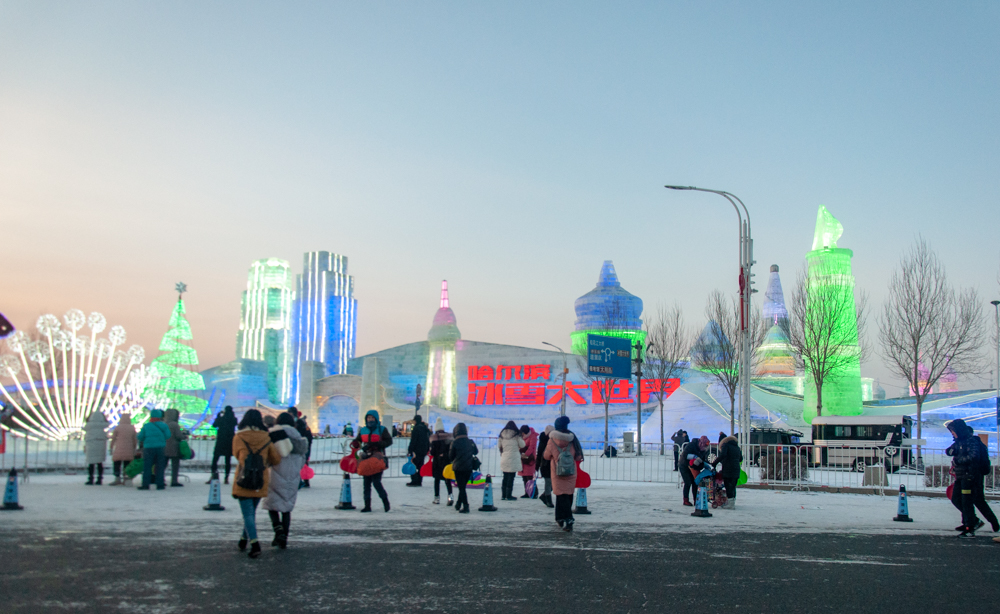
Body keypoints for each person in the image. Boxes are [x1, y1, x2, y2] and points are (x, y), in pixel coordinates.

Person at [232, 409, 282, 559]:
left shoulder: (239, 436)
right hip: (260, 479)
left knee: (248, 514)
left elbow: (236, 455)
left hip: (244, 478)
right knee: (250, 513)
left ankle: (255, 544)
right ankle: (243, 539)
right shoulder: (266, 437)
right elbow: (275, 459)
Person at [946, 419, 997, 538]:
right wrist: (952, 451)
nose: (952, 433)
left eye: (953, 431)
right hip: (961, 476)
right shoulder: (959, 442)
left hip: (970, 476)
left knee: (969, 501)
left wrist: (958, 460)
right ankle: (972, 521)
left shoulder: (972, 442)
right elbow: (949, 451)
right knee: (957, 499)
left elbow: (973, 457)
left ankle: (970, 526)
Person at [263, 412, 307, 549]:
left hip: (275, 474)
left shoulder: (274, 434)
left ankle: (278, 531)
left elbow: (268, 455)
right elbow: (303, 459)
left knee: (272, 505)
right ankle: (284, 538)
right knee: (286, 508)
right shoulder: (299, 438)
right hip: (293, 477)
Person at [543, 415, 583, 532]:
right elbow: (578, 456)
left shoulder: (552, 440)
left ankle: (567, 518)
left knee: (561, 496)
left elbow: (546, 456)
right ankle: (560, 517)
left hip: (557, 472)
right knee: (568, 494)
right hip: (571, 471)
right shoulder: (572, 438)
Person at [352, 410, 393, 512]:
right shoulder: (363, 430)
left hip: (377, 459)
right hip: (366, 458)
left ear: (376, 419)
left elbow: (389, 441)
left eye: (372, 418)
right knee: (366, 484)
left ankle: (385, 502)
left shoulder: (382, 429)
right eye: (368, 418)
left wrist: (377, 444)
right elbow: (358, 441)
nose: (370, 420)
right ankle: (367, 505)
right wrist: (356, 444)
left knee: (376, 482)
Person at [136, 409, 170, 490]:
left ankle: (145, 484)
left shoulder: (146, 426)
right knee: (160, 466)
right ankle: (160, 484)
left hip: (148, 448)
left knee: (147, 466)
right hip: (160, 447)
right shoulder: (164, 426)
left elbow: (140, 437)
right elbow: (168, 435)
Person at [448, 422, 478, 513]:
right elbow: (476, 452)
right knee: (462, 487)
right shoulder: (470, 442)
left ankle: (465, 506)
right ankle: (458, 503)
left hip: (458, 468)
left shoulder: (454, 442)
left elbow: (451, 456)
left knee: (461, 488)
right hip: (468, 467)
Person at [497, 420, 526, 501]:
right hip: (514, 457)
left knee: (505, 477)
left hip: (505, 457)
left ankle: (503, 495)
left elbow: (499, 445)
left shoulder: (502, 434)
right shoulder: (517, 434)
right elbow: (522, 445)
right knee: (511, 477)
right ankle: (509, 495)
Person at [713, 434, 743, 509]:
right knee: (733, 486)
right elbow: (740, 459)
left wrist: (715, 463)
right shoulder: (737, 447)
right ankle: (732, 502)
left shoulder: (725, 445)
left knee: (728, 486)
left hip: (728, 468)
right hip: (736, 468)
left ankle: (730, 504)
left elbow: (723, 455)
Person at [429, 417, 454, 505]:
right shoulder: (448, 438)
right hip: (446, 462)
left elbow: (432, 452)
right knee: (448, 480)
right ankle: (450, 498)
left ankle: (437, 498)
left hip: (437, 462)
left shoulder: (434, 439)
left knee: (437, 480)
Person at [679, 435, 709, 506]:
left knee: (695, 482)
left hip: (694, 467)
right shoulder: (691, 445)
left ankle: (696, 500)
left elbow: (703, 460)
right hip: (684, 465)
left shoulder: (703, 449)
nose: (705, 447)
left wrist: (705, 465)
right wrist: (694, 457)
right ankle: (686, 500)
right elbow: (685, 455)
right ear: (701, 443)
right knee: (688, 482)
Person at [210, 406, 238, 484]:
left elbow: (214, 425)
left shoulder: (221, 419)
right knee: (228, 461)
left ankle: (214, 475)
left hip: (220, 441)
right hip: (229, 442)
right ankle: (226, 478)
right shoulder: (234, 419)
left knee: (215, 459)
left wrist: (218, 416)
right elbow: (235, 423)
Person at [109, 414, 137, 486]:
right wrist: (135, 448)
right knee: (127, 464)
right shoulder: (132, 428)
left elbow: (113, 438)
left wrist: (111, 447)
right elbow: (135, 439)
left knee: (117, 463)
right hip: (129, 449)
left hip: (118, 449)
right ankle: (126, 478)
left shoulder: (118, 428)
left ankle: (117, 478)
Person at [288, 407, 313, 488]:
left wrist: (306, 445)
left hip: (303, 447)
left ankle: (305, 480)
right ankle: (301, 481)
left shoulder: (301, 423)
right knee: (299, 464)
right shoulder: (292, 423)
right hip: (299, 447)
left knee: (302, 464)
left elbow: (308, 436)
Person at [163, 408, 189, 487]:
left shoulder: (164, 423)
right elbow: (178, 436)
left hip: (164, 447)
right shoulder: (174, 424)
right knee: (175, 465)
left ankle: (160, 479)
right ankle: (174, 481)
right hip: (174, 447)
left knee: (163, 465)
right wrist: (184, 436)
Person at [83, 410, 109, 485]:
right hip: (100, 445)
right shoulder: (102, 426)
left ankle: (90, 478)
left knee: (91, 463)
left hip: (91, 445)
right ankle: (99, 479)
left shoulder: (89, 426)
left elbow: (84, 428)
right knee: (100, 463)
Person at [407, 414, 431, 487]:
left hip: (416, 450)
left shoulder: (416, 428)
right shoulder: (425, 428)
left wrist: (410, 449)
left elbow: (414, 440)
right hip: (423, 450)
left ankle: (414, 480)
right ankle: (419, 481)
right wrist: (427, 449)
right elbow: (428, 440)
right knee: (420, 466)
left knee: (414, 465)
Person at [518, 424, 538, 498]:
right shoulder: (523, 436)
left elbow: (532, 447)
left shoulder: (533, 436)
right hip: (523, 459)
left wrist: (526, 454)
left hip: (529, 459)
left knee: (529, 477)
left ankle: (534, 493)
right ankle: (527, 492)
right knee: (524, 477)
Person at [536, 426, 554, 508]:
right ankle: (548, 499)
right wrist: (537, 465)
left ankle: (544, 496)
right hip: (545, 464)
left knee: (553, 483)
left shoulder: (553, 440)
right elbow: (539, 453)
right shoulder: (544, 440)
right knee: (548, 482)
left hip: (552, 464)